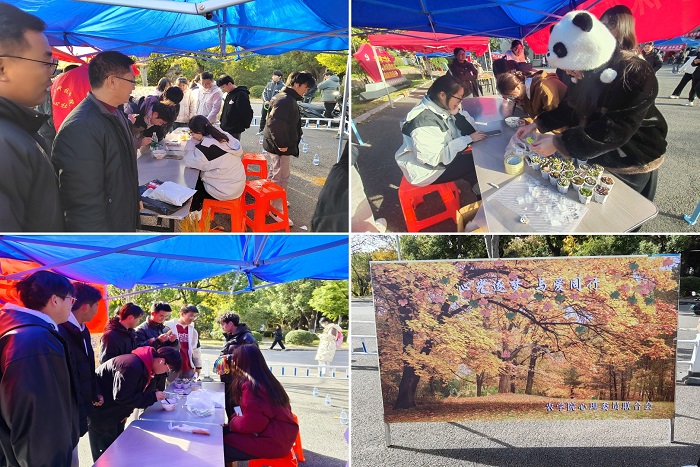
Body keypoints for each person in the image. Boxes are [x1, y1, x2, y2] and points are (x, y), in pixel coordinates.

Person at [518, 10, 667, 202]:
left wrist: (559, 143)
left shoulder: (635, 72)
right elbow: (570, 107)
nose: (569, 74)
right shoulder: (586, 70)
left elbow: (614, 129)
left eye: (571, 68)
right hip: (596, 152)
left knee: (623, 209)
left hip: (632, 157)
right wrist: (537, 124)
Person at [53, 51, 140, 231]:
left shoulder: (117, 115)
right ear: (112, 81)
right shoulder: (80, 127)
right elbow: (83, 206)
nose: (133, 87)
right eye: (131, 81)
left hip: (121, 223)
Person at [0, 271, 79, 467]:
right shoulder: (36, 340)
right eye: (71, 299)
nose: (72, 306)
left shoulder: (19, 329)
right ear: (55, 300)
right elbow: (39, 423)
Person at [0, 3, 63, 231]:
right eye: (46, 63)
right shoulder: (5, 144)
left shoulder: (18, 131)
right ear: (2, 68)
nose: (51, 76)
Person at [88, 346, 181, 461]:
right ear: (161, 361)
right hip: (103, 414)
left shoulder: (147, 366)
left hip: (116, 412)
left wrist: (153, 393)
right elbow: (122, 397)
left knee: (116, 449)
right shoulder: (131, 366)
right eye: (168, 369)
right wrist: (152, 397)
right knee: (105, 455)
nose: (166, 372)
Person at [395, 74, 486, 188]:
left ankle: (475, 185)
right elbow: (434, 159)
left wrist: (457, 115)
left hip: (443, 158)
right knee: (477, 163)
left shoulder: (443, 106)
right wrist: (468, 139)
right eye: (458, 97)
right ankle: (480, 192)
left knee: (476, 159)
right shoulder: (424, 122)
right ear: (442, 95)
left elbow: (471, 130)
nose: (460, 102)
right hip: (427, 171)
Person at [216, 345, 299, 462]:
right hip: (279, 436)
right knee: (218, 434)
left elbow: (250, 424)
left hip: (271, 442)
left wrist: (233, 422)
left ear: (240, 364)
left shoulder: (253, 388)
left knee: (215, 451)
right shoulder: (266, 380)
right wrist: (233, 423)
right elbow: (249, 415)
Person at [58, 282, 104, 465]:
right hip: (67, 408)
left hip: (80, 404)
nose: (98, 310)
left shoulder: (83, 329)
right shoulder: (60, 330)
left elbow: (87, 365)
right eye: (96, 306)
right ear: (85, 307)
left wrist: (93, 391)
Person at [262, 71, 316, 227]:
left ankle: (274, 200)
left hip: (276, 144)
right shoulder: (285, 99)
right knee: (281, 176)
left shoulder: (284, 97)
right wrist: (282, 144)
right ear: (296, 84)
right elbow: (275, 123)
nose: (306, 90)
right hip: (280, 146)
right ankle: (275, 208)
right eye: (306, 86)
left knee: (275, 173)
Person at [184, 114, 245, 212]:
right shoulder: (221, 135)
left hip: (224, 191)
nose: (192, 136)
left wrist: (191, 143)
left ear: (199, 132)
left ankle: (195, 211)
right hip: (236, 185)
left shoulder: (206, 148)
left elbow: (188, 161)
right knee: (197, 178)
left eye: (192, 133)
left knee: (191, 185)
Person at [219, 311, 257, 417]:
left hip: (239, 380)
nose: (222, 327)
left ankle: (238, 425)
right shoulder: (229, 336)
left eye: (223, 324)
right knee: (229, 406)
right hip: (228, 378)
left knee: (237, 407)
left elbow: (253, 355)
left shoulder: (247, 337)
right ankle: (231, 425)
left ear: (230, 323)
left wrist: (228, 358)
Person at [495, 69, 567, 122]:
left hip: (564, 125)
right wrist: (527, 121)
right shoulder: (524, 93)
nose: (513, 99)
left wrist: (532, 125)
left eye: (511, 96)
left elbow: (553, 117)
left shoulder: (544, 89)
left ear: (518, 87)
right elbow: (536, 115)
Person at [164, 304, 202, 381]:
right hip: (172, 366)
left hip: (188, 366)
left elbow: (196, 349)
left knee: (188, 387)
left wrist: (198, 366)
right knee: (171, 387)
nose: (192, 318)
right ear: (182, 314)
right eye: (190, 316)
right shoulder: (168, 327)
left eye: (194, 316)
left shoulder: (193, 331)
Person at [217, 74, 253, 140]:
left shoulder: (241, 94)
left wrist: (245, 125)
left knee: (233, 145)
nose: (222, 90)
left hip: (234, 128)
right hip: (225, 127)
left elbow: (246, 112)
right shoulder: (228, 94)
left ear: (229, 84)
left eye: (223, 87)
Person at [258, 69, 284, 134]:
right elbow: (264, 93)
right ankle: (261, 130)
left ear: (279, 77)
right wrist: (266, 101)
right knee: (263, 117)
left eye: (275, 76)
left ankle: (271, 131)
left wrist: (274, 102)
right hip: (266, 104)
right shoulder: (269, 84)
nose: (273, 77)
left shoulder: (283, 86)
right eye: (273, 75)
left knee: (273, 118)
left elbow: (282, 96)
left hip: (275, 106)